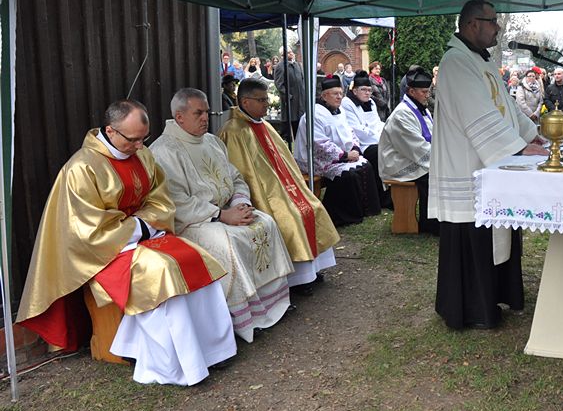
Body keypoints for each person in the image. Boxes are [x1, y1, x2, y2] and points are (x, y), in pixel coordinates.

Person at [16, 100, 235, 385]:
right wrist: (139, 227)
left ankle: (213, 349)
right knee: (164, 272)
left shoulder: (142, 156)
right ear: (111, 131)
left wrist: (145, 224)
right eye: (133, 140)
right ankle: (176, 364)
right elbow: (84, 229)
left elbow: (160, 198)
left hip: (143, 235)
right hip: (102, 251)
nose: (141, 146)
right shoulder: (82, 168)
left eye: (144, 138)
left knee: (196, 257)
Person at [430, 0, 547, 330]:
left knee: (498, 234)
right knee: (474, 237)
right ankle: (471, 310)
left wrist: (529, 135)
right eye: (492, 21)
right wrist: (516, 148)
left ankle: (495, 297)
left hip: (488, 166)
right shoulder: (456, 62)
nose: (497, 27)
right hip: (467, 168)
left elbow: (505, 107)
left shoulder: (481, 61)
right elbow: (476, 114)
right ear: (471, 25)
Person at [150, 88, 295, 341]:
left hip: (227, 210)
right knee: (227, 242)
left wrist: (241, 202)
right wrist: (222, 215)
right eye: (199, 113)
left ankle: (271, 305)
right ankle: (244, 319)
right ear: (179, 116)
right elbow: (177, 202)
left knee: (266, 223)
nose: (205, 118)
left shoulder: (212, 142)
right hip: (193, 222)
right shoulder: (164, 150)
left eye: (206, 112)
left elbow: (236, 177)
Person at [219, 78, 340, 295]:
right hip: (262, 195)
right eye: (261, 100)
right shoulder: (233, 131)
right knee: (290, 217)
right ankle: (297, 279)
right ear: (245, 102)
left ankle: (312, 269)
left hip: (284, 186)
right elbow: (241, 173)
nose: (267, 104)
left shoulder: (263, 124)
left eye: (266, 99)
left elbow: (284, 160)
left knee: (312, 206)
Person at [295, 75, 382, 226]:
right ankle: (344, 215)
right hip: (316, 158)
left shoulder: (339, 110)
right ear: (324, 96)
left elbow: (350, 132)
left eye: (341, 93)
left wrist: (355, 148)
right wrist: (345, 155)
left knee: (366, 165)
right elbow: (320, 143)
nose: (339, 97)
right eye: (335, 94)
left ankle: (366, 209)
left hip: (342, 155)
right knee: (349, 175)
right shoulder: (314, 114)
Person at [378, 67, 439, 235]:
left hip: (412, 156)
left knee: (438, 172)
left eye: (428, 91)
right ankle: (432, 224)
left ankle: (435, 219)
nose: (427, 95)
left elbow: (431, 136)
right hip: (398, 163)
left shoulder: (421, 108)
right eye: (423, 91)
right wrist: (441, 160)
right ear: (411, 91)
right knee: (433, 176)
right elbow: (417, 148)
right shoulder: (401, 115)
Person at [341, 70, 391, 207]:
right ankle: (380, 197)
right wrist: (379, 137)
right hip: (360, 144)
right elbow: (357, 129)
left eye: (369, 90)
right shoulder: (347, 103)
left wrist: (385, 134)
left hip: (375, 140)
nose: (368, 93)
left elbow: (377, 123)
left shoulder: (371, 103)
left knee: (391, 149)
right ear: (355, 90)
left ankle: (391, 192)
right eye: (364, 90)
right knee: (377, 154)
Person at [273, 49, 306, 140]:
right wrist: (288, 96)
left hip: (301, 100)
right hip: (291, 101)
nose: (291, 53)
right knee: (293, 122)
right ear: (283, 55)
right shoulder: (280, 66)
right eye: (288, 52)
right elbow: (279, 84)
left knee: (301, 124)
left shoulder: (298, 65)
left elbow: (302, 81)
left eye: (291, 52)